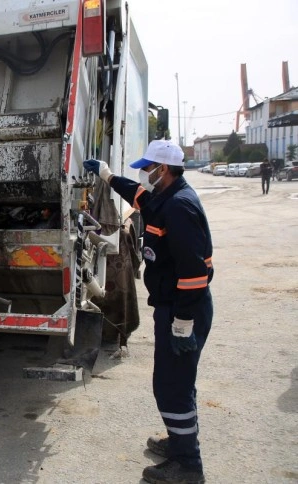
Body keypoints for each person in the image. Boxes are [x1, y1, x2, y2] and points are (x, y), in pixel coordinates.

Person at [84, 140, 213, 484]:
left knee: (172, 385)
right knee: (176, 382)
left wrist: (183, 322)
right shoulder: (165, 198)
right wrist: (108, 176)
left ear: (164, 170)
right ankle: (180, 441)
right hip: (173, 307)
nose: (144, 173)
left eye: (149, 167)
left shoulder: (180, 207)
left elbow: (196, 273)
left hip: (183, 310)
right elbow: (137, 195)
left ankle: (188, 467)